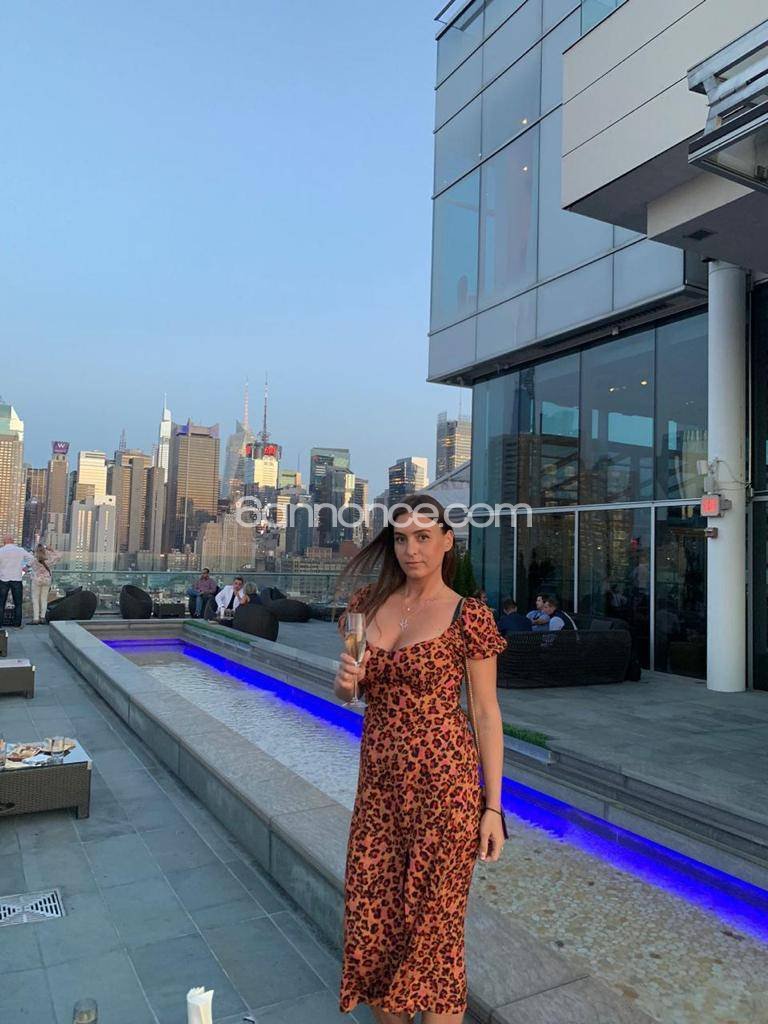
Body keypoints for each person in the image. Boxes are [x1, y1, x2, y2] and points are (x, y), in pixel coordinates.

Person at [333, 493, 507, 1023]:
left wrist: (493, 808)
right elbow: (349, 692)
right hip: (379, 794)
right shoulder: (364, 606)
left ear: (447, 542)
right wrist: (345, 683)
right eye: (402, 539)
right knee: (374, 925)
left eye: (424, 538)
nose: (412, 550)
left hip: (446, 792)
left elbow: (485, 713)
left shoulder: (467, 616)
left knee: (435, 939)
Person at [0, 535, 32, 628]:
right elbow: (32, 558)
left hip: (3, 579)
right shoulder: (20, 550)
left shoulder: (1, 551)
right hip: (17, 579)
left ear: (5, 541)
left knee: (1, 603)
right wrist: (26, 567)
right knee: (18, 603)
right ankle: (17, 624)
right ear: (12, 541)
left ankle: (0, 624)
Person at [29, 543, 62, 624]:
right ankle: (43, 617)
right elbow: (59, 555)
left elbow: (27, 564)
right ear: (45, 550)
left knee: (35, 599)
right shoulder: (49, 559)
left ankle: (36, 619)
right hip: (47, 580)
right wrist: (50, 549)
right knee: (44, 599)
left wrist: (33, 552)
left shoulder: (34, 559)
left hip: (36, 580)